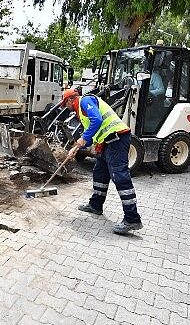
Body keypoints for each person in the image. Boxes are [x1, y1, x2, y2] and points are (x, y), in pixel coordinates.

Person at [60, 89, 143, 234]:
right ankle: (96, 205)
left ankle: (132, 219)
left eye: (65, 104)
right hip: (105, 143)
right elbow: (92, 135)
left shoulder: (85, 101)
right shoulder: (81, 112)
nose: (66, 108)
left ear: (70, 100)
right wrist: (76, 148)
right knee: (99, 174)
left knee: (120, 178)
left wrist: (82, 139)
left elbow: (97, 120)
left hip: (116, 139)